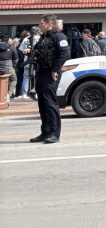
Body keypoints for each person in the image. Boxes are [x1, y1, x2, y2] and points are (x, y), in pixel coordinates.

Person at [29, 14, 71, 144]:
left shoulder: (59, 36)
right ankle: (45, 132)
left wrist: (55, 69)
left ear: (49, 25)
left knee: (50, 103)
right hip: (41, 72)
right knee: (42, 104)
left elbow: (65, 54)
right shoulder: (44, 37)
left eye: (42, 23)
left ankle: (54, 133)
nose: (40, 25)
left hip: (50, 73)